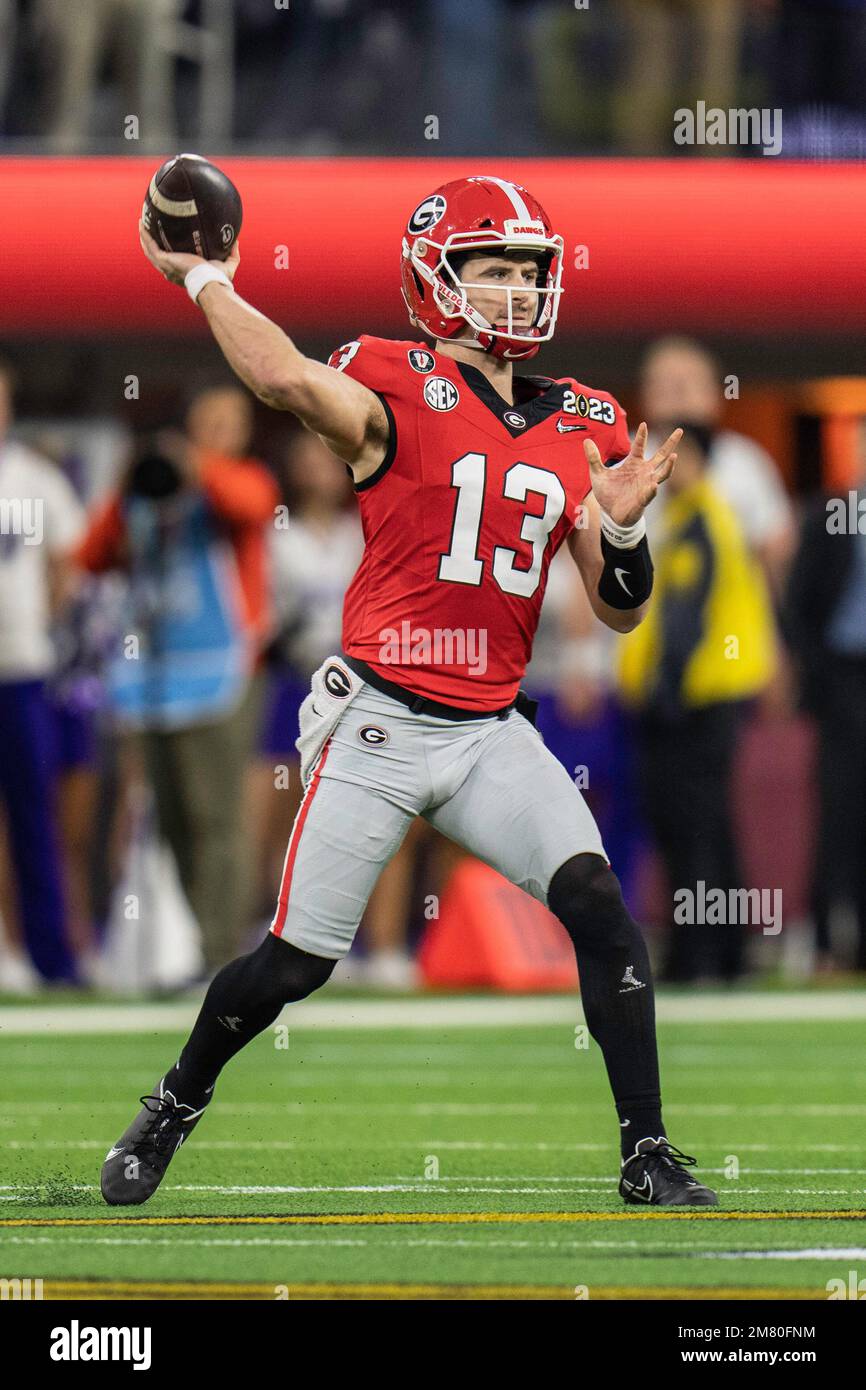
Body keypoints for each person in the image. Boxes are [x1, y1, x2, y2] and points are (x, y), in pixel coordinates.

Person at [100, 174, 717, 1209]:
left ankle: (644, 1151)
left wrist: (614, 528)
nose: (516, 290)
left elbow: (618, 611)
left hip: (489, 728)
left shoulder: (583, 420)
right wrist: (206, 276)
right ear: (436, 277)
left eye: (528, 271)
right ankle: (175, 1097)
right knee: (293, 964)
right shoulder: (393, 381)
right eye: (492, 268)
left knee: (600, 908)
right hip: (380, 718)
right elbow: (285, 380)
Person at [76, 393, 278, 972]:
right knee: (172, 819)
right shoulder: (141, 493)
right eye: (207, 423)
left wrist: (194, 465)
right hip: (156, 680)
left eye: (228, 425)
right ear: (188, 425)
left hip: (226, 673)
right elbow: (92, 557)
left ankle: (220, 958)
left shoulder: (240, 479)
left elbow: (253, 508)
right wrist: (126, 484)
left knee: (217, 816)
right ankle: (203, 947)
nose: (218, 433)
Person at [617, 425, 777, 982]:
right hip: (713, 700)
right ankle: (726, 954)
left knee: (690, 830)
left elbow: (685, 621)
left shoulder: (700, 523)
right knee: (711, 827)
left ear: (700, 463)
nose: (663, 471)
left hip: (695, 704)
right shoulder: (706, 520)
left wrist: (663, 693)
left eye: (675, 461)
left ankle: (698, 956)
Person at [0, 359, 84, 985]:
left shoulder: (34, 478)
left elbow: (68, 564)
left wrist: (41, 627)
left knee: (36, 818)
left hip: (23, 670)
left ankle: (50, 958)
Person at [784, 418, 866, 973]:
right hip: (842, 678)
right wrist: (809, 678)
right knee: (838, 808)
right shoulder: (828, 517)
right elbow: (797, 606)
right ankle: (825, 940)